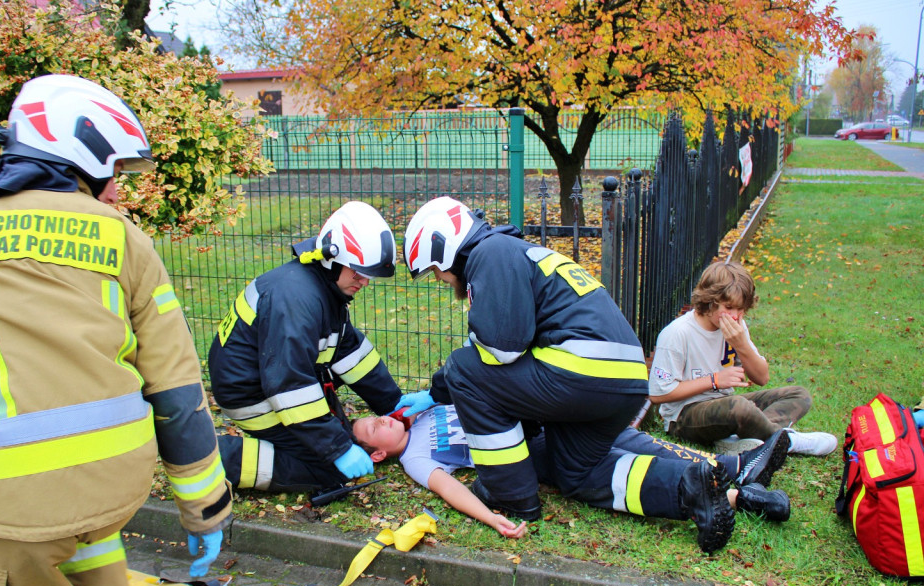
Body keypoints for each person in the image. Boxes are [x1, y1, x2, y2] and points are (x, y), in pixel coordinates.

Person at [0, 75, 232, 586]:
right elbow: (177, 390)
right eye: (112, 174)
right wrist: (204, 509)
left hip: (5, 503)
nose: (111, 193)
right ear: (82, 156)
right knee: (88, 551)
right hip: (114, 484)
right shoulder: (125, 240)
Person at [396, 196, 736, 553]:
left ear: (445, 247)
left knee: (462, 368)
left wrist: (446, 381)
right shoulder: (513, 251)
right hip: (623, 382)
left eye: (435, 270)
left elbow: (501, 349)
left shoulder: (490, 254)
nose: (439, 279)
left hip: (580, 373)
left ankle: (509, 494)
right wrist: (439, 391)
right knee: (577, 473)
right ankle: (691, 489)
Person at [351, 405, 791, 541]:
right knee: (606, 464)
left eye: (376, 416)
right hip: (522, 451)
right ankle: (735, 491)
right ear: (377, 456)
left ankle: (734, 476)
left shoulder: (423, 413)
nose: (381, 421)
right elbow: (450, 489)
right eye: (373, 428)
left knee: (620, 439)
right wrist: (491, 519)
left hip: (536, 421)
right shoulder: (415, 459)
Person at [209, 201, 403, 495]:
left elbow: (348, 351)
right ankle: (216, 460)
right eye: (358, 272)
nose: (364, 282)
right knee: (328, 469)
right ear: (331, 259)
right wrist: (338, 451)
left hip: (270, 382)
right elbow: (289, 387)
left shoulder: (320, 288)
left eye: (369, 274)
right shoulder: (297, 301)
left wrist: (395, 405)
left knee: (335, 438)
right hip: (253, 398)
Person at [648, 262, 837, 457]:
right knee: (738, 407)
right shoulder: (678, 333)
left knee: (799, 395)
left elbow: (762, 377)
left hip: (725, 404)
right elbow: (658, 394)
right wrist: (714, 380)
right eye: (729, 307)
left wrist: (741, 345)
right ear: (709, 301)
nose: (735, 316)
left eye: (741, 310)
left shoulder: (736, 326)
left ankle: (740, 438)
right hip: (683, 415)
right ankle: (785, 441)